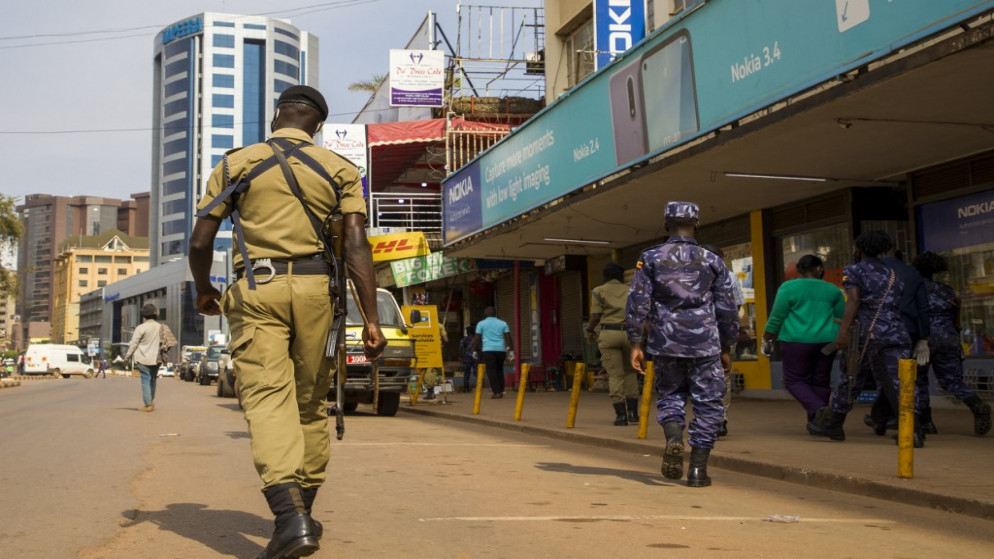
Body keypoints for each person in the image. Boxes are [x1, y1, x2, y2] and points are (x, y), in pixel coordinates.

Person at [189, 85, 386, 559]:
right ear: (317, 125)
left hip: (258, 291)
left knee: (266, 399)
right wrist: (372, 318)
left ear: (277, 117)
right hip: (320, 293)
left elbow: (200, 242)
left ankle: (291, 518)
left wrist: (204, 291)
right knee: (311, 403)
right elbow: (357, 244)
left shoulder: (237, 164)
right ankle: (304, 510)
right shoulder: (341, 169)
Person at [627, 201, 739, 488]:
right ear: (696, 224)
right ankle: (698, 471)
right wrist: (727, 347)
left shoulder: (650, 258)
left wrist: (635, 342)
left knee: (670, 395)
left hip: (665, 342)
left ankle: (674, 436)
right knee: (708, 403)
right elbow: (727, 308)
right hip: (705, 343)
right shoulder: (712, 260)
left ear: (666, 224)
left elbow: (638, 302)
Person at [810, 231, 924, 446]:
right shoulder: (892, 273)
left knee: (851, 377)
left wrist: (843, 331)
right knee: (903, 382)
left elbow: (853, 300)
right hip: (896, 332)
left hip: (866, 334)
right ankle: (914, 430)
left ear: (859, 249)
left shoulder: (853, 270)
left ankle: (835, 424)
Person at [911, 251, 991, 436]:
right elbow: (956, 318)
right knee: (952, 381)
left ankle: (926, 422)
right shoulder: (946, 290)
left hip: (924, 339)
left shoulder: (914, 289)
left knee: (919, 380)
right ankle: (976, 404)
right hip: (949, 338)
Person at [761, 255, 845, 430]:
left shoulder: (788, 288)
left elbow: (777, 317)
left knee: (793, 381)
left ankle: (819, 409)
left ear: (800, 270)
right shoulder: (833, 290)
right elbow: (840, 318)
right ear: (819, 269)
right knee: (820, 381)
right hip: (827, 342)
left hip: (796, 341)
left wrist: (766, 337)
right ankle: (818, 422)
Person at [863, 248, 932, 434]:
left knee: (887, 379)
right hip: (909, 330)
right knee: (904, 377)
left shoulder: (873, 272)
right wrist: (923, 337)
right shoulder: (912, 273)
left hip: (881, 331)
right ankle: (881, 418)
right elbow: (923, 307)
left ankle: (908, 424)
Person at [586, 261, 640, 426]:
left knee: (616, 375)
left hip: (609, 334)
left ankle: (621, 416)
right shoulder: (630, 290)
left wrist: (589, 330)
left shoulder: (598, 291)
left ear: (605, 277)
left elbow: (595, 316)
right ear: (620, 276)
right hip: (629, 334)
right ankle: (633, 414)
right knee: (631, 372)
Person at [702, 244, 745, 437]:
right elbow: (734, 309)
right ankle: (720, 419)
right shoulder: (731, 277)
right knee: (723, 376)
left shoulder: (691, 276)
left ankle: (708, 418)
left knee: (701, 376)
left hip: (699, 334)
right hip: (723, 333)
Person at [123, 303, 176, 411]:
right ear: (155, 314)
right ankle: (150, 401)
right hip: (157, 359)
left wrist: (126, 358)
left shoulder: (140, 328)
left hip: (143, 359)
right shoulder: (161, 327)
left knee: (145, 380)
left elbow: (133, 344)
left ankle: (147, 405)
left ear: (144, 315)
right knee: (153, 380)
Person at [474, 306, 513, 399]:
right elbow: (508, 337)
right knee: (499, 370)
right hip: (501, 350)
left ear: (486, 313)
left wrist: (475, 350)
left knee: (491, 371)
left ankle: (496, 392)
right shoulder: (503, 323)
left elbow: (477, 338)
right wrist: (511, 350)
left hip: (488, 350)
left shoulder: (481, 324)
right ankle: (501, 390)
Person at [459, 326, 478, 393]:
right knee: (477, 373)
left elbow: (461, 349)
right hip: (476, 358)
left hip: (467, 358)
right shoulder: (477, 339)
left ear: (468, 331)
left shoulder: (464, 339)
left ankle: (466, 388)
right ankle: (480, 387)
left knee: (466, 373)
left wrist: (461, 357)